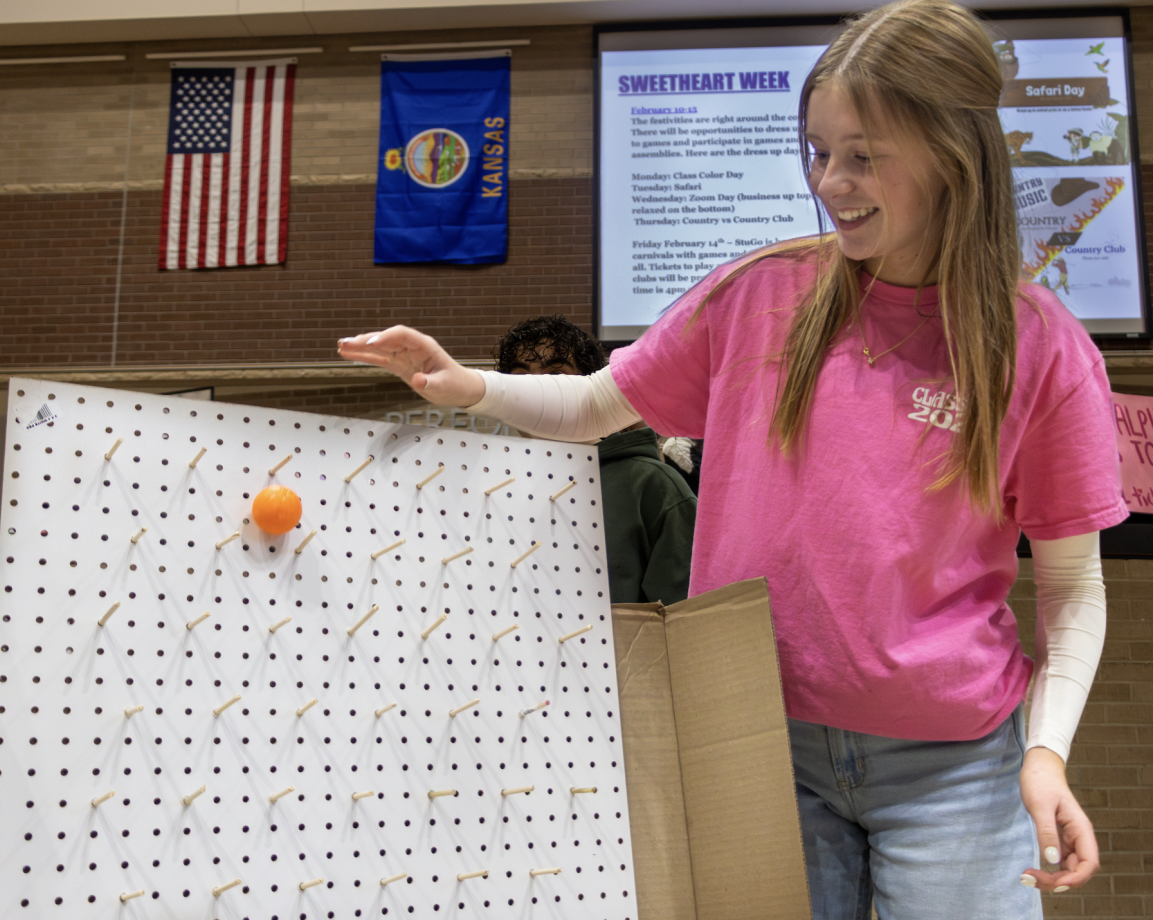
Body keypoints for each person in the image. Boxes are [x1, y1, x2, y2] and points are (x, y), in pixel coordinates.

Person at [338, 2, 1125, 916]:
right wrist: (468, 384)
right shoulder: (759, 292)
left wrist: (1046, 751)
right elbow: (599, 403)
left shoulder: (1044, 349)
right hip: (753, 738)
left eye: (864, 155)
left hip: (955, 769)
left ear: (955, 154)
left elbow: (1075, 590)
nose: (832, 181)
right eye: (819, 151)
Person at [494, 314, 697, 606]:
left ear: (591, 387)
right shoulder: (494, 486)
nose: (536, 391)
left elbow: (685, 622)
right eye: (520, 379)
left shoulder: (651, 485)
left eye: (556, 376)